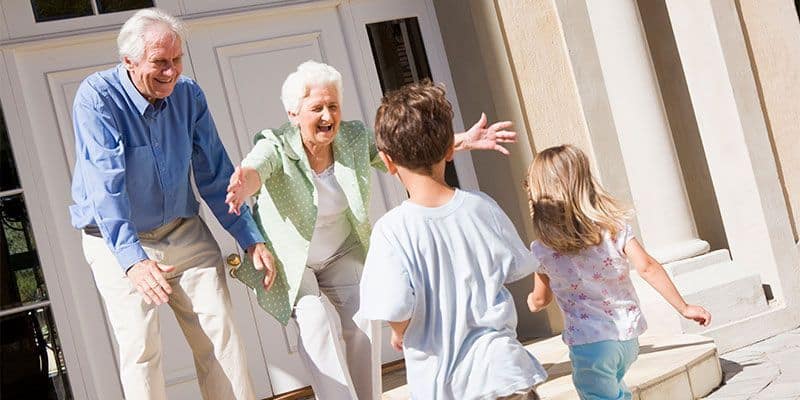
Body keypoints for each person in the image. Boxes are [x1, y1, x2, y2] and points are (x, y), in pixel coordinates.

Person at [224, 61, 519, 399]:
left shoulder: (353, 138)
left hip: (340, 251)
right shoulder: (276, 145)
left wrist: (462, 140)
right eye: (317, 108)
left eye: (333, 106)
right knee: (315, 318)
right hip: (294, 260)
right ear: (293, 114)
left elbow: (406, 150)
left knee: (364, 315)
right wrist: (244, 184)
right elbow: (256, 168)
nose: (328, 116)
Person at [69, 8, 274, 400]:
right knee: (141, 349)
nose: (171, 71)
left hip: (182, 229)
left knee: (221, 337)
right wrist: (133, 260)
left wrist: (249, 237)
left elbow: (215, 172)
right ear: (129, 62)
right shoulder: (97, 97)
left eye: (177, 59)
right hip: (115, 238)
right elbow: (106, 186)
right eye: (159, 62)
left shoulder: (188, 95)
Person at [356, 81, 547, 400]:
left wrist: (400, 332)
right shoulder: (482, 207)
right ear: (449, 150)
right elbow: (518, 265)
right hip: (505, 371)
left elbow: (397, 308)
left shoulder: (391, 230)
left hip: (447, 385)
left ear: (387, 161)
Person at [524, 144, 712, 400]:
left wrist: (531, 303)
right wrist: (684, 307)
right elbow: (647, 267)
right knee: (616, 392)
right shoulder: (613, 229)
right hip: (628, 338)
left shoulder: (543, 249)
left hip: (590, 345)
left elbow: (540, 299)